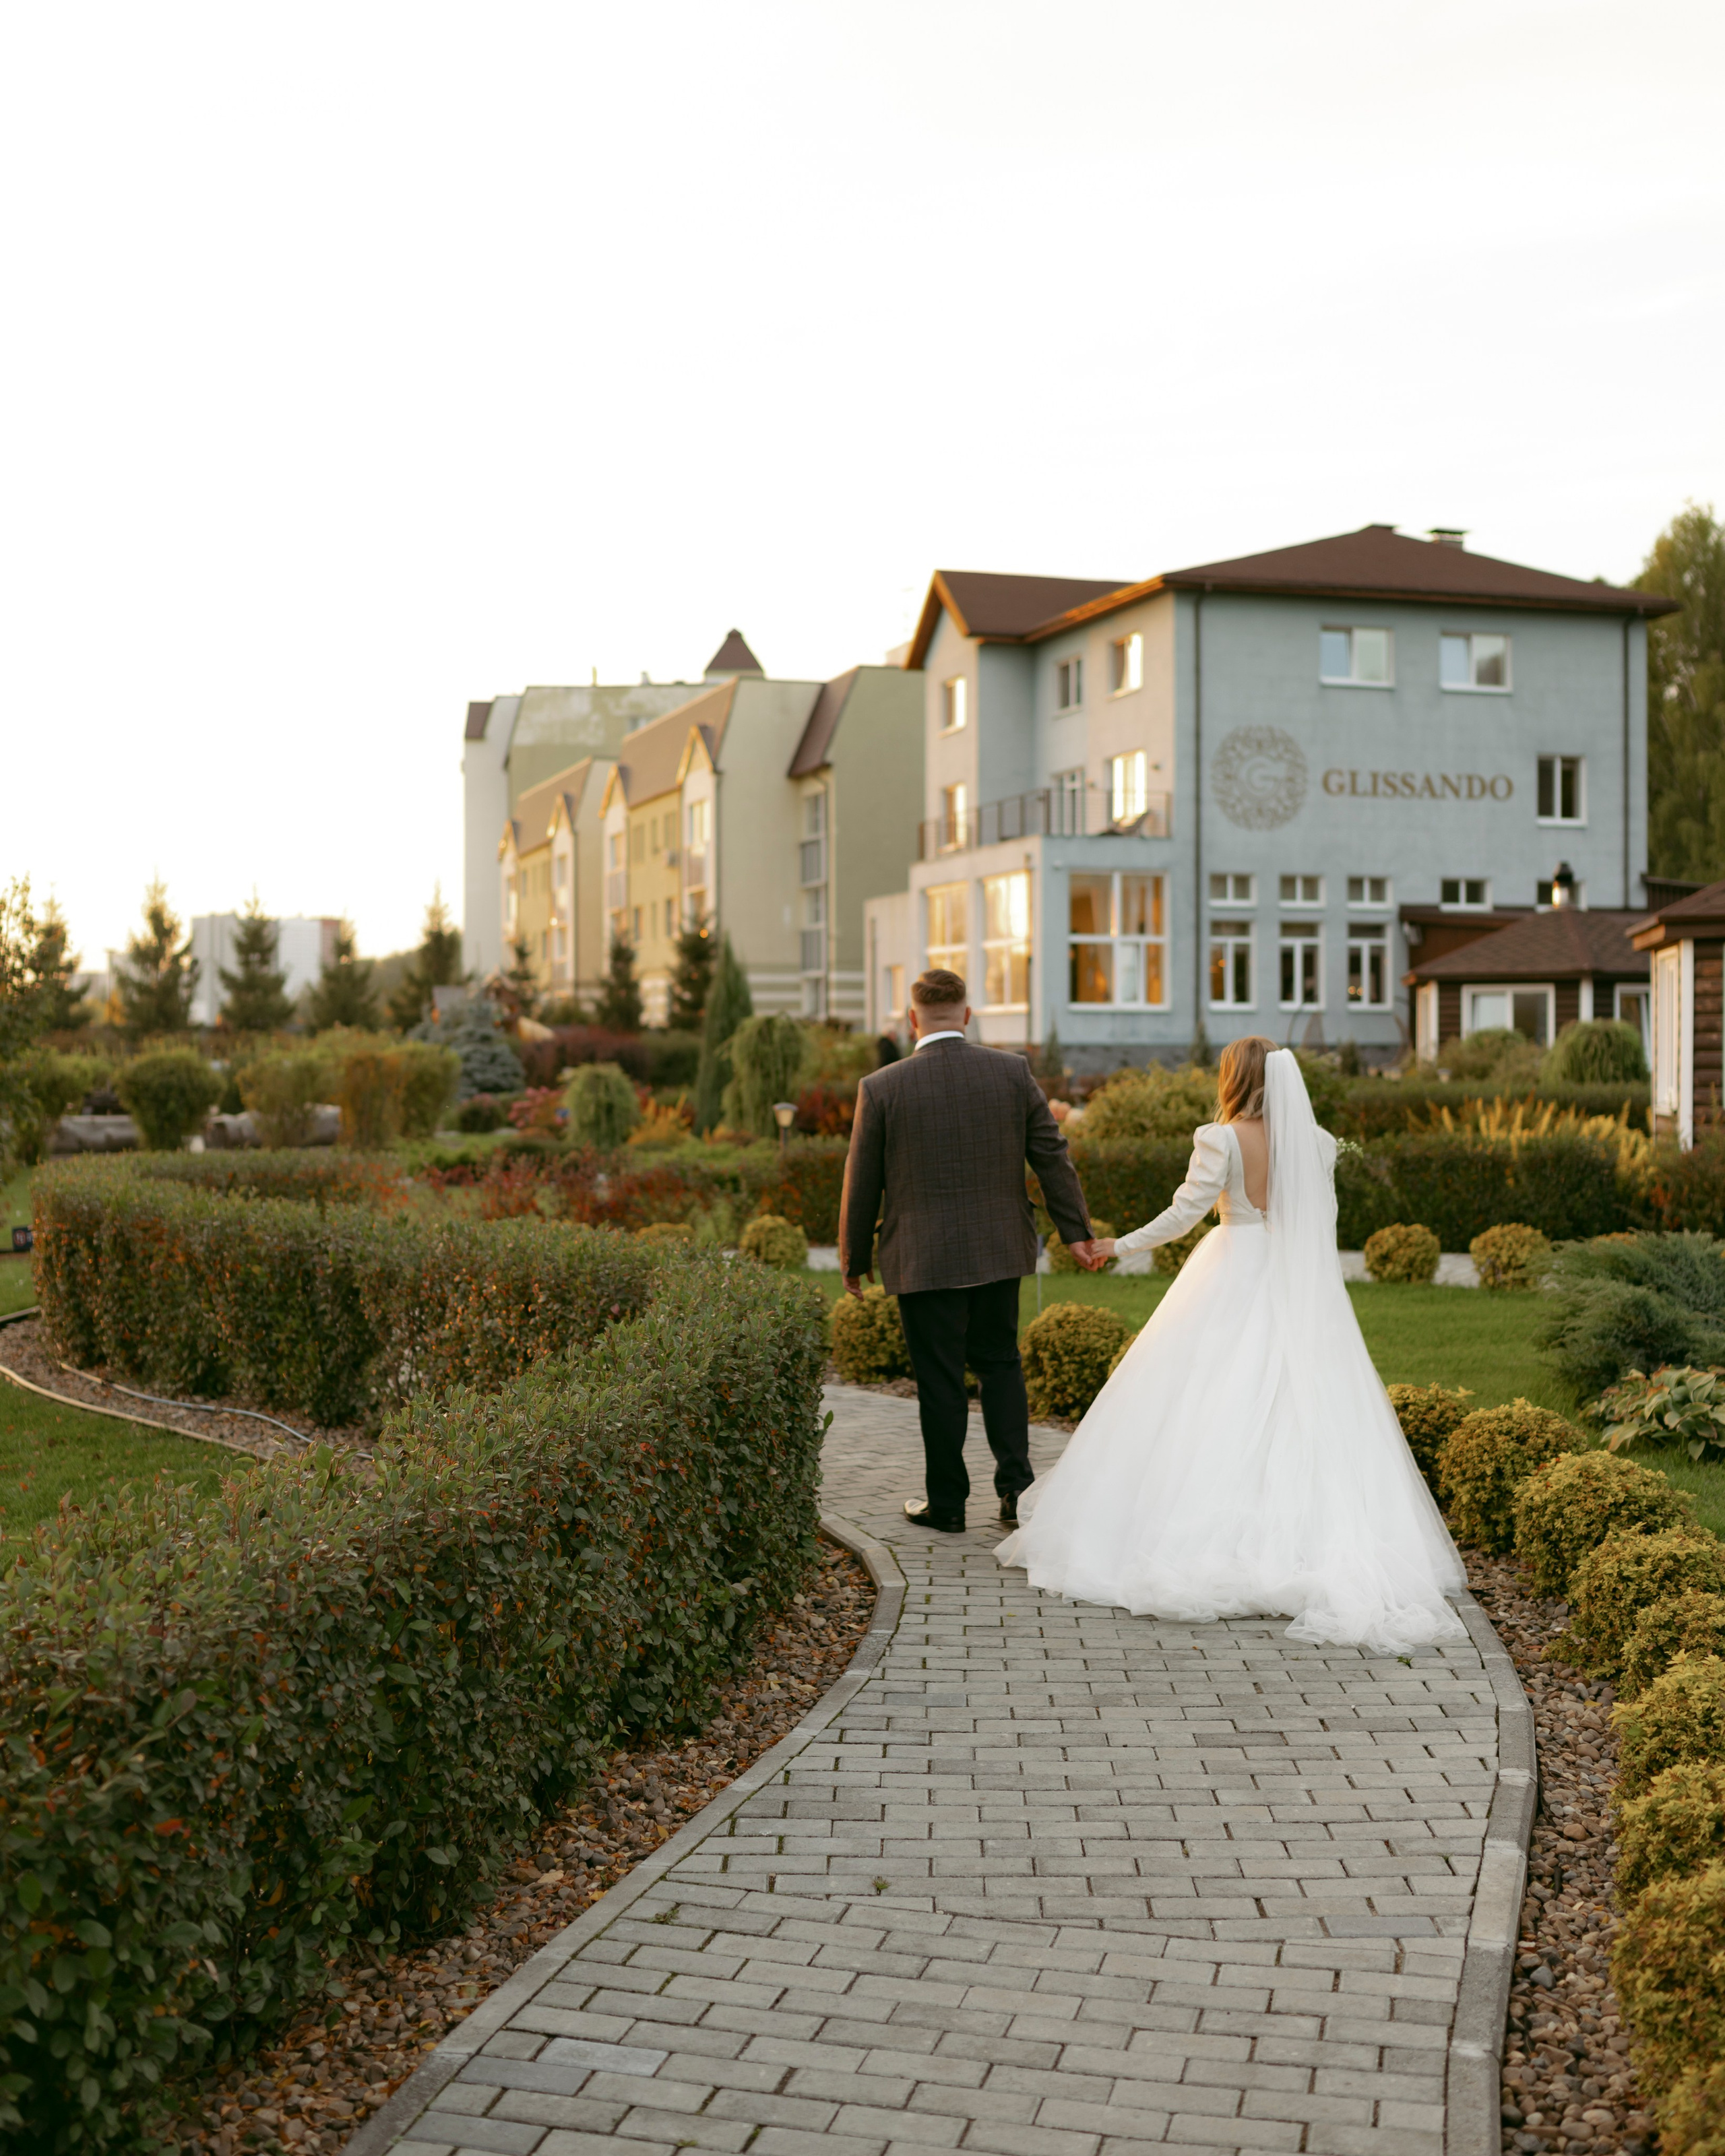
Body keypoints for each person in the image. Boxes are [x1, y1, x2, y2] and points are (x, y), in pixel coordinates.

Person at [995, 1037, 1466, 1653]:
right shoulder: (1317, 1143)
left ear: (1233, 1078)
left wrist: (1117, 1245)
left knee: (1208, 1395)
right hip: (1297, 1282)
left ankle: (1202, 1538)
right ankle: (1306, 1539)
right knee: (1301, 1402)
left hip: (1233, 1268)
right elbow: (1318, 1222)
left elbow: (1184, 1214)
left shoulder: (1220, 1139)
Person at [838, 968, 1100, 1533]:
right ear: (967, 1015)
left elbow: (862, 1182)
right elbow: (1052, 1155)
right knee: (1000, 1364)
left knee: (939, 1380)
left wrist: (854, 1259)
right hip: (997, 1251)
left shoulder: (881, 1087)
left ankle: (948, 1505)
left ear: (913, 1019)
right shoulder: (1011, 1072)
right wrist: (1075, 1231)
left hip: (921, 1257)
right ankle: (1016, 1493)